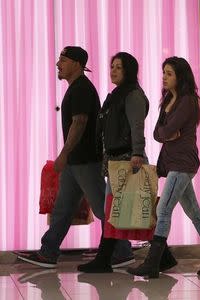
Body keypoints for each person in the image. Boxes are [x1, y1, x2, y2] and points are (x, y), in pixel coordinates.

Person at [17, 46, 134, 269]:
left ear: (77, 64)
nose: (58, 64)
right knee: (63, 207)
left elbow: (79, 123)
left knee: (101, 207)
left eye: (63, 59)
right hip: (76, 162)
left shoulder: (81, 89)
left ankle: (123, 251)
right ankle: (48, 252)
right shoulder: (76, 88)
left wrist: (64, 154)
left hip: (85, 160)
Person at [127, 56, 200, 278]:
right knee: (193, 211)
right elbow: (158, 133)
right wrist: (169, 133)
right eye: (164, 72)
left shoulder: (188, 101)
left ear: (180, 77)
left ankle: (152, 263)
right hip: (174, 162)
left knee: (163, 210)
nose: (164, 76)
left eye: (169, 73)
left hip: (182, 162)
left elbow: (165, 130)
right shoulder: (168, 100)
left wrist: (168, 132)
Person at [77, 52, 176, 273]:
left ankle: (105, 259)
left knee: (127, 210)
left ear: (129, 71)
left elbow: (136, 127)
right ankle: (164, 257)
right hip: (117, 160)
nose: (113, 70)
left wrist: (137, 154)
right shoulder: (116, 95)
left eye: (119, 67)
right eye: (112, 66)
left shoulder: (132, 96)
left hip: (129, 160)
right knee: (120, 210)